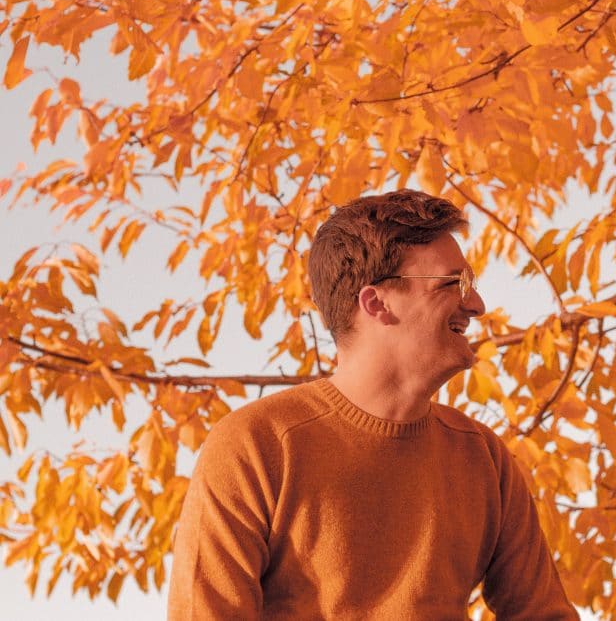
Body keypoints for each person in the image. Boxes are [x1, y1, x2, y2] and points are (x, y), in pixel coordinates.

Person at [168, 189, 578, 619]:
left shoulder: (484, 460)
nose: (476, 304)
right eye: (453, 284)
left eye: (471, 285)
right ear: (376, 303)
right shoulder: (255, 447)